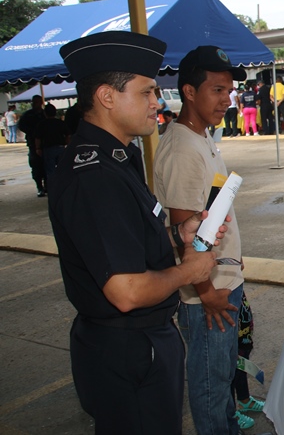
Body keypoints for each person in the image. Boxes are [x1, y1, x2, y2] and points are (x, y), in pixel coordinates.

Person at [49, 31, 221, 434]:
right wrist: (190, 271)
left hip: (137, 343)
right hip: (127, 350)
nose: (156, 102)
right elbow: (125, 291)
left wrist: (179, 234)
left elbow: (128, 239)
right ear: (107, 97)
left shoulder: (116, 158)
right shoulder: (95, 177)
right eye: (146, 92)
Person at [154, 45, 248, 434]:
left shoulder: (201, 136)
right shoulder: (183, 150)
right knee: (210, 386)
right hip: (206, 295)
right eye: (217, 90)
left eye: (229, 91)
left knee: (223, 377)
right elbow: (185, 235)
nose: (227, 100)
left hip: (221, 281)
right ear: (189, 92)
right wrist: (207, 293)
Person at [231, 290, 264, 428]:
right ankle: (229, 413)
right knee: (225, 365)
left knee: (242, 355)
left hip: (236, 302)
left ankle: (244, 399)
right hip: (219, 303)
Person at [17, 94, 47, 197]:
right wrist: (32, 132)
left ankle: (47, 185)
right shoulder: (28, 115)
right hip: (33, 143)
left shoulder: (44, 114)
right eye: (34, 102)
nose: (35, 104)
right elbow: (21, 126)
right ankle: (39, 187)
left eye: (38, 102)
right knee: (36, 166)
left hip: (46, 143)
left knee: (46, 165)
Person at [34, 103, 71, 179]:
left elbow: (38, 138)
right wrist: (68, 144)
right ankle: (63, 183)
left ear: (45, 113)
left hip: (48, 149)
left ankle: (53, 184)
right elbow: (68, 135)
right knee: (63, 169)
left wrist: (38, 148)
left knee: (50, 171)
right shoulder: (60, 123)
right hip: (61, 147)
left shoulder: (42, 124)